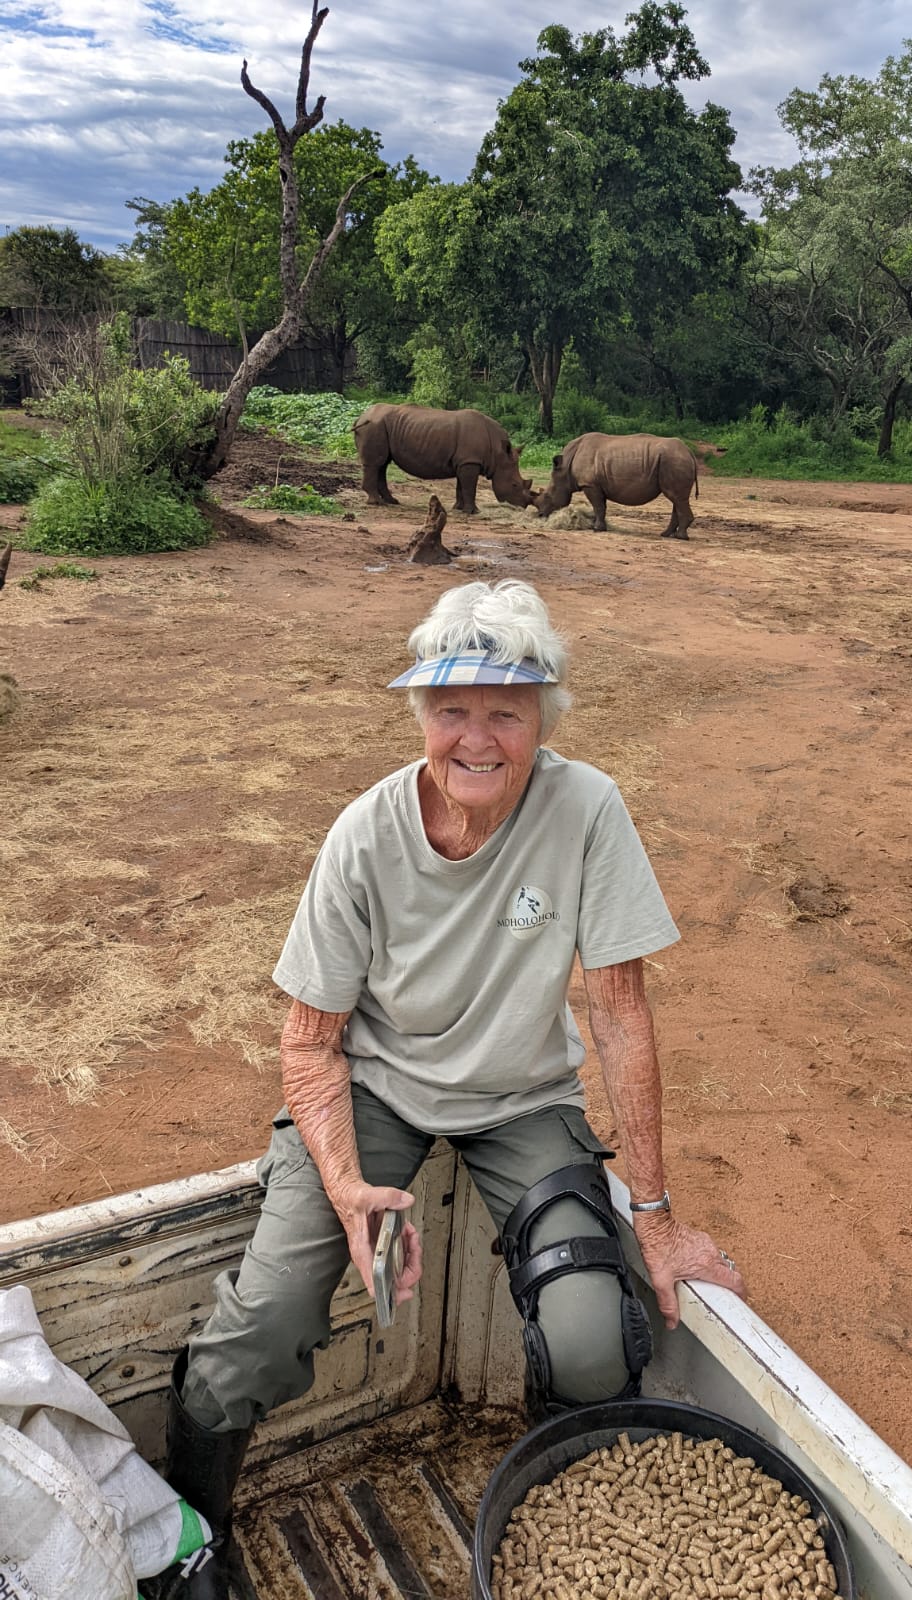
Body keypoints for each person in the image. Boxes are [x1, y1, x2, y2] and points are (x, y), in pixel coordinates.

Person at [144, 578, 747, 1599]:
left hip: (522, 1097)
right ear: (419, 712)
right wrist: (347, 1192)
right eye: (451, 708)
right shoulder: (364, 836)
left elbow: (619, 1012)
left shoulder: (587, 808)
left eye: (505, 710)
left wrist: (655, 1215)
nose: (477, 737)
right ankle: (188, 1532)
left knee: (594, 1334)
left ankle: (569, 1531)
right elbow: (309, 1042)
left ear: (541, 718)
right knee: (261, 1327)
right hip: (373, 1087)